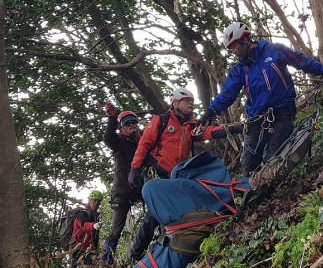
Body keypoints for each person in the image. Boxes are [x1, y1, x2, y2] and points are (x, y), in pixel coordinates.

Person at [198, 22, 323, 175]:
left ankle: (268, 185)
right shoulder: (239, 69)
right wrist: (211, 110)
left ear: (246, 40)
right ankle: (252, 191)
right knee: (247, 163)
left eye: (236, 46)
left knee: (273, 158)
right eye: (231, 49)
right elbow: (228, 93)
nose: (235, 51)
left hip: (283, 112)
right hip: (256, 118)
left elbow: (302, 62)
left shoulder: (274, 50)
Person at [126, 87, 243, 261]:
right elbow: (144, 144)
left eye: (192, 101)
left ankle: (175, 247)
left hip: (176, 176)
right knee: (153, 215)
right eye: (186, 101)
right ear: (175, 103)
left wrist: (234, 129)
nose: (191, 104)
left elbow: (208, 132)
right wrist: (134, 168)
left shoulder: (191, 125)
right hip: (158, 173)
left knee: (170, 211)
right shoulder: (161, 121)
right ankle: (138, 253)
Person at [100, 103, 143, 265]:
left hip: (140, 187)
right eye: (127, 123)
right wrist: (112, 118)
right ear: (122, 128)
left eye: (134, 122)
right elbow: (108, 138)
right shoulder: (119, 143)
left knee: (155, 212)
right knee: (116, 229)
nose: (132, 125)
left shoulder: (143, 141)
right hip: (122, 192)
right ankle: (107, 260)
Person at [69, 190, 103, 267]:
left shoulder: (95, 217)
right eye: (95, 200)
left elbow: (95, 236)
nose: (96, 203)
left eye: (99, 201)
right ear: (89, 200)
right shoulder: (83, 213)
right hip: (77, 248)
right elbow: (84, 225)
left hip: (89, 249)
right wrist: (93, 225)